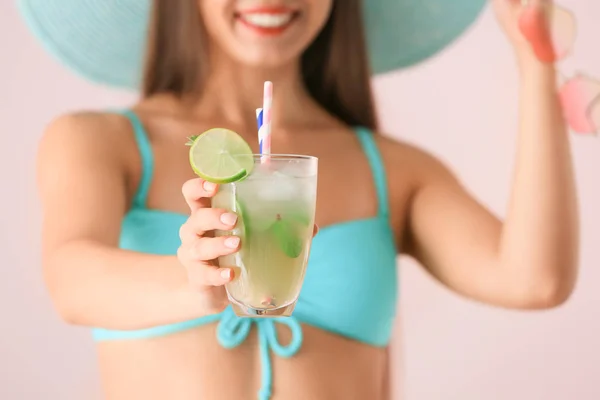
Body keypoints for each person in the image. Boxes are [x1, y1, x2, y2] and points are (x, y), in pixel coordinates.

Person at [21, 0, 579, 399]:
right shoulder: (100, 141)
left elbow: (534, 278)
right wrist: (197, 281)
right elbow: (71, 280)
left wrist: (537, 64)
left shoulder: (394, 168)